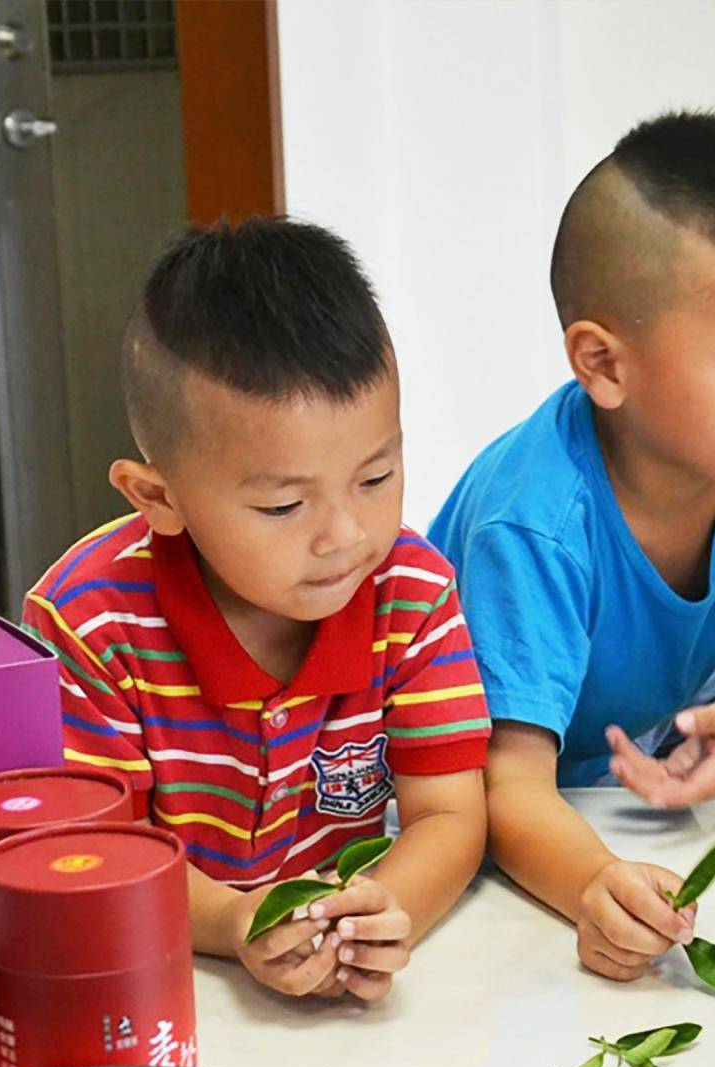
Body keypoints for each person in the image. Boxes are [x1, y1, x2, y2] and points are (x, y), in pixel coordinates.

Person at [429, 111, 715, 982]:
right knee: (501, 846)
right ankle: (628, 884)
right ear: (606, 367)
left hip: (649, 708)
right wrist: (594, 886)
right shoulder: (533, 524)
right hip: (500, 754)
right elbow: (509, 785)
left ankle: (698, 890)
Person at [24, 219, 490, 1003]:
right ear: (159, 497)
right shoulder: (89, 623)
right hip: (164, 982)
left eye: (375, 479)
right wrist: (238, 924)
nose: (344, 536)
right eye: (282, 505)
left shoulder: (411, 593)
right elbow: (100, 855)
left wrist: (384, 913)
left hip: (343, 993)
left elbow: (449, 813)